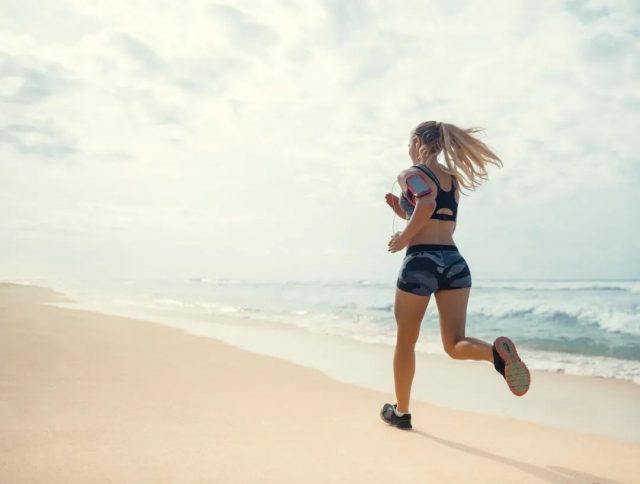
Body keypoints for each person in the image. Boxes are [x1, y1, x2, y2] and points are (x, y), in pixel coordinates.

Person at [379, 121, 531, 430]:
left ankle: (402, 412)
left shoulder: (410, 174)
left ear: (418, 141)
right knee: (455, 343)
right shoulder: (453, 180)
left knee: (405, 342)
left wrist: (403, 237)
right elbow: (439, 217)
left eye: (409, 141)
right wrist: (404, 212)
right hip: (454, 262)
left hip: (421, 262)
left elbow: (426, 203)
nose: (407, 148)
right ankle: (496, 357)